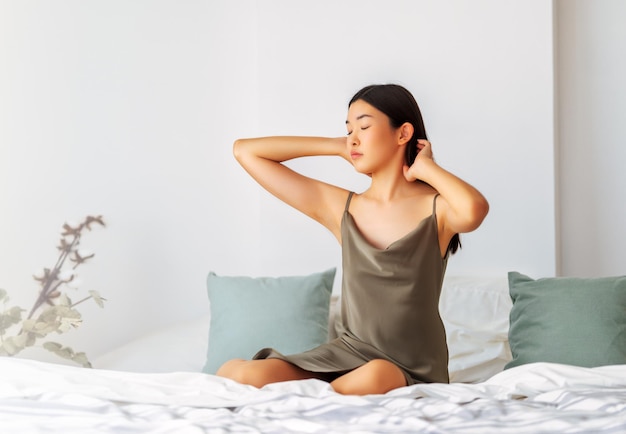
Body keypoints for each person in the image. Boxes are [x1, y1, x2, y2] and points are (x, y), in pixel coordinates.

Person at [217, 84, 489, 395]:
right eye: (348, 130)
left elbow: (474, 209)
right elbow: (246, 151)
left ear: (403, 134)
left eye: (363, 126)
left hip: (409, 365)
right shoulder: (343, 208)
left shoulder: (437, 210)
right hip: (347, 354)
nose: (353, 138)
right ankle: (324, 397)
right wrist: (335, 146)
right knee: (238, 374)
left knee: (376, 375)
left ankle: (316, 401)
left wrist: (427, 168)